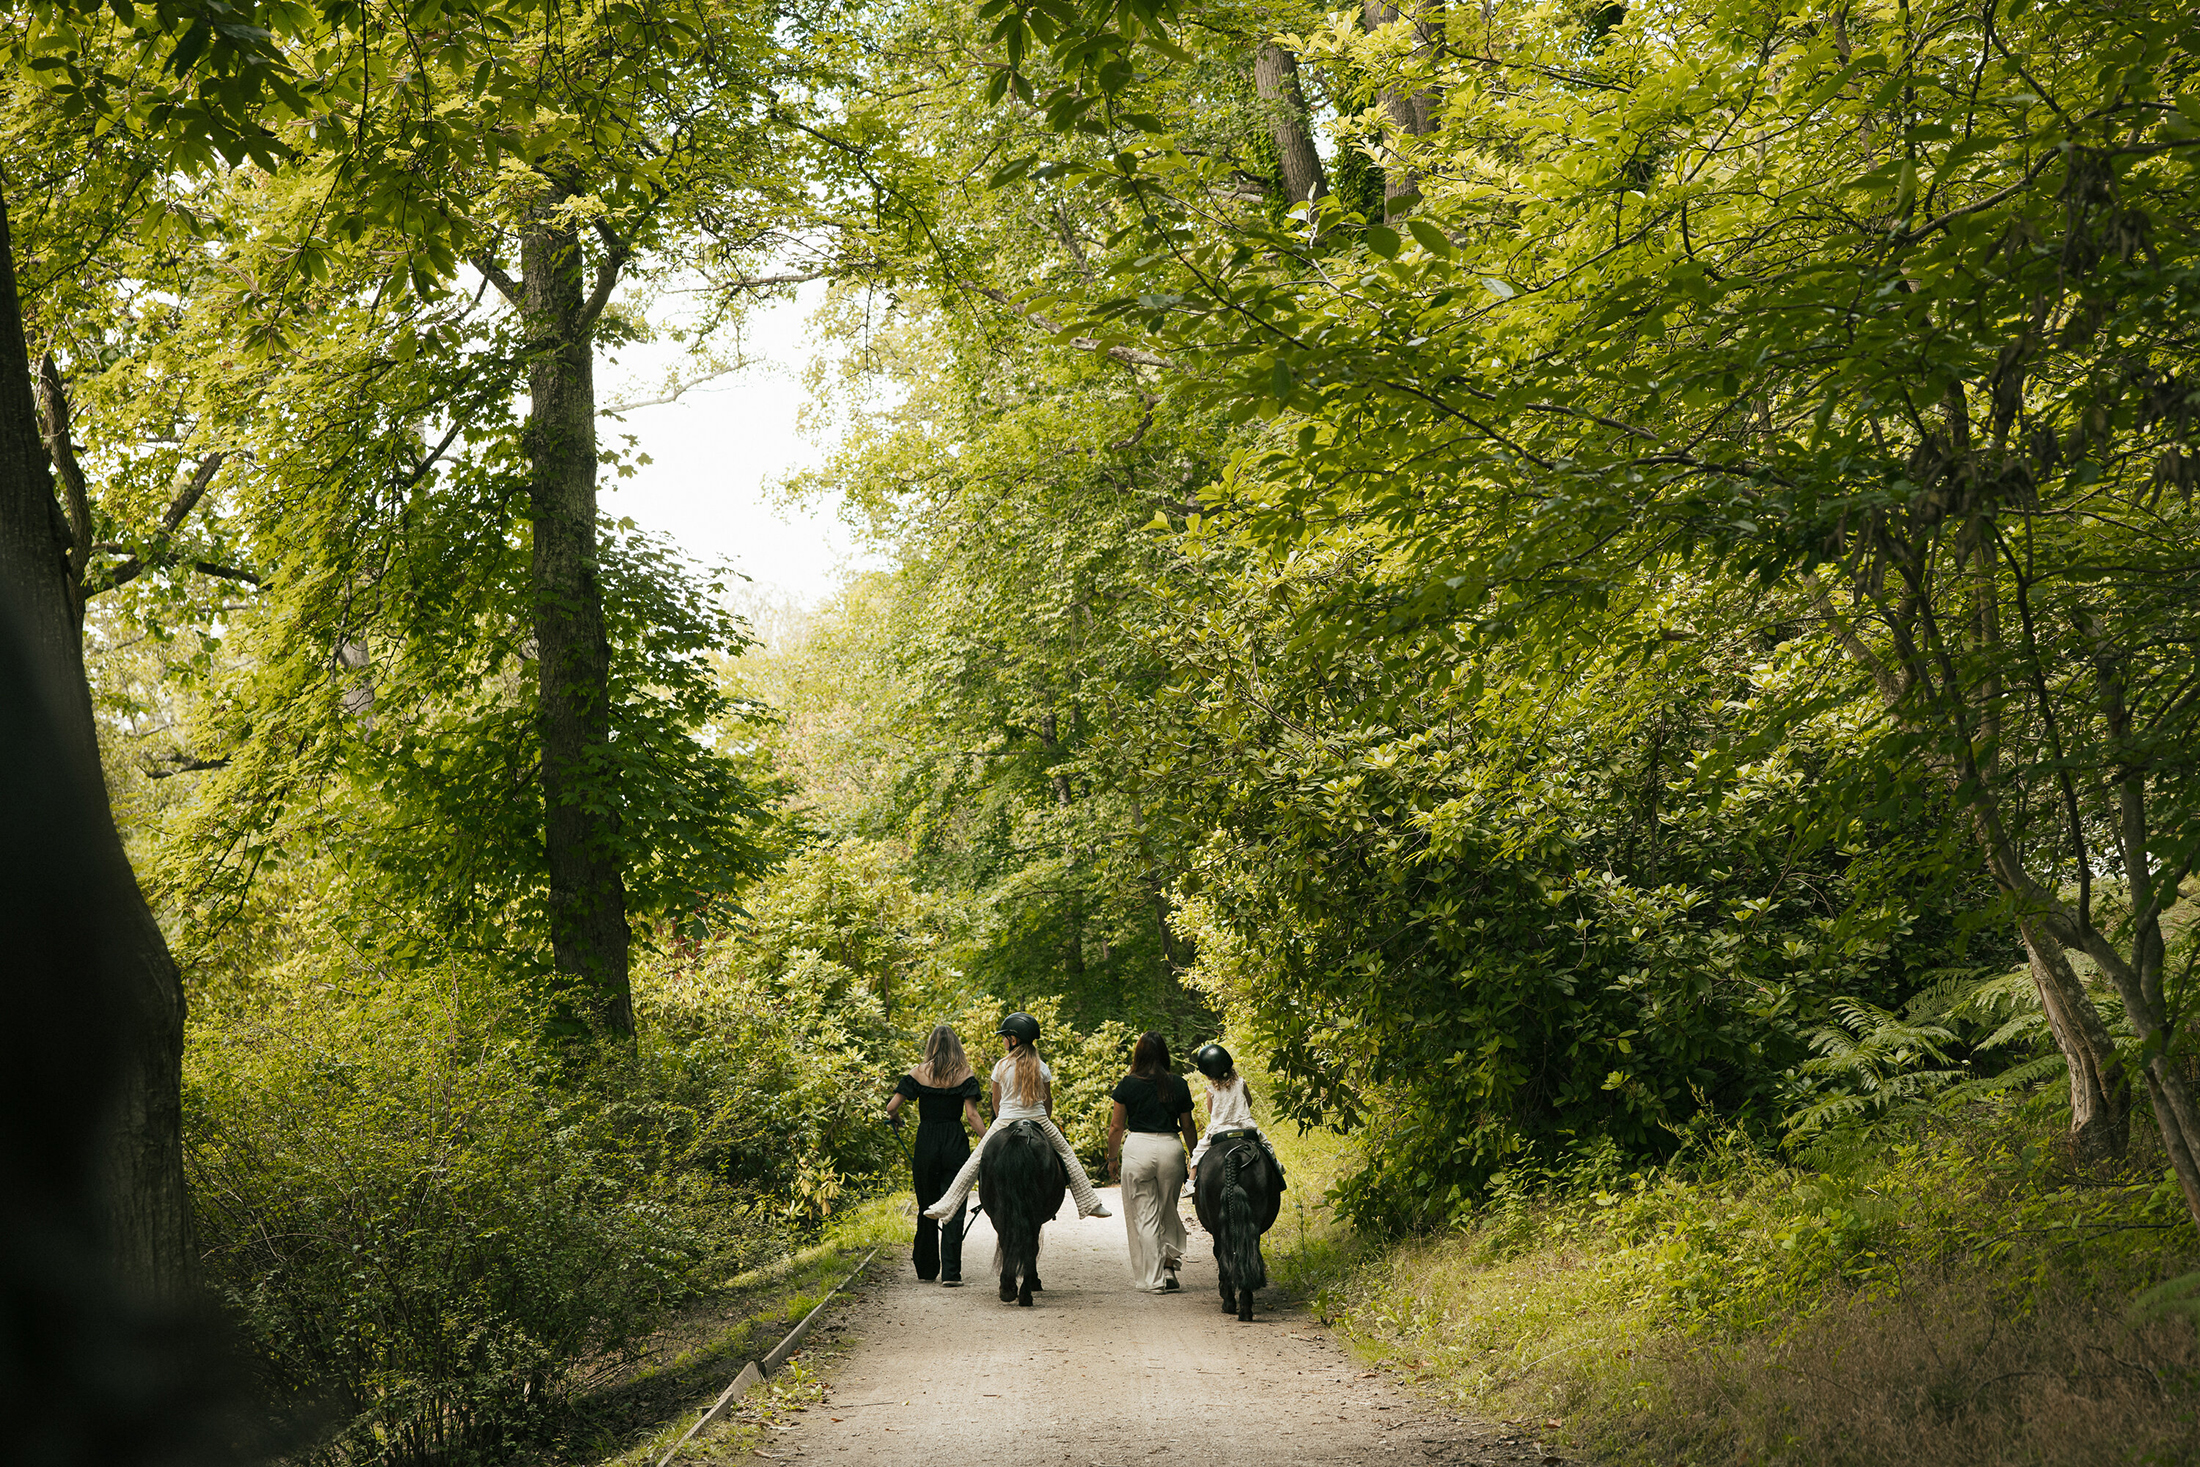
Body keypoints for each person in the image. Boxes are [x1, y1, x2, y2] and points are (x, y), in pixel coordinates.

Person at [923, 1013, 1111, 1221]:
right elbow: (1047, 1102)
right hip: (1039, 1119)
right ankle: (1090, 1203)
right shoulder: (1042, 1066)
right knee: (1067, 1156)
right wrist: (1043, 1123)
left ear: (1014, 1040)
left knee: (975, 1159)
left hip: (1005, 1119)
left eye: (1004, 1037)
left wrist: (1002, 1118)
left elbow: (996, 1102)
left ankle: (947, 1204)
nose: (1003, 1040)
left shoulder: (1001, 1065)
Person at [886, 1025, 988, 1285]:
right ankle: (951, 1273)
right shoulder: (965, 1074)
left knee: (927, 1205)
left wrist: (895, 1118)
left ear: (931, 1045)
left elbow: (891, 1107)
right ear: (956, 1045)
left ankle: (927, 1268)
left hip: (927, 1143)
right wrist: (989, 1140)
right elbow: (972, 1115)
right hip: (955, 1142)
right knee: (954, 1205)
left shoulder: (918, 1073)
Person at [1106, 1031, 1197, 1293]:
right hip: (1170, 1147)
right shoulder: (1177, 1084)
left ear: (1139, 1054)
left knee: (1144, 1216)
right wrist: (1195, 1157)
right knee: (1168, 1209)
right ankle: (1169, 1266)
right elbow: (1187, 1125)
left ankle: (1153, 1280)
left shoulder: (1127, 1084)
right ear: (1164, 1055)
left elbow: (1116, 1126)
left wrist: (1112, 1158)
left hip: (1138, 1148)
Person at [1187, 1042, 1264, 1173]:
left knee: (1197, 1154)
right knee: (1266, 1147)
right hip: (1245, 1127)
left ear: (1208, 1074)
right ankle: (1277, 1167)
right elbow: (1248, 1103)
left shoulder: (1210, 1090)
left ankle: (1190, 1182)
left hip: (1219, 1131)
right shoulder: (1241, 1083)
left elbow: (1211, 1111)